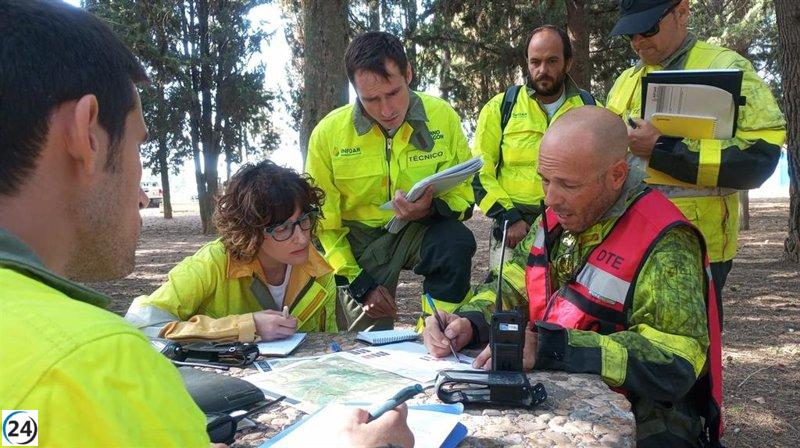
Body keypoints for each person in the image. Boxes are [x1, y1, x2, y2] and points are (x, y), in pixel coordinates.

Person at [0, 1, 413, 446]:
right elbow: (143, 322)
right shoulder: (96, 362)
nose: (142, 194)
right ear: (85, 135)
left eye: (305, 222)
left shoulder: (36, 368)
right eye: (140, 145)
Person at [423, 107, 724, 447]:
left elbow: (674, 362)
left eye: (568, 184)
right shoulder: (555, 218)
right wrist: (469, 322)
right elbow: (509, 286)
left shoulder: (666, 242)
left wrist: (552, 347)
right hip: (558, 392)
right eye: (545, 180)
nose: (551, 198)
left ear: (617, 175)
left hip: (644, 414)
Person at [604, 0, 786, 324]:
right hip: (629, 240)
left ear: (682, 12)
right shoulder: (625, 81)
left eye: (647, 28)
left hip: (699, 245)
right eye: (629, 33)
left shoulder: (729, 69)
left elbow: (761, 157)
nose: (637, 41)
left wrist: (661, 149)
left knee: (692, 356)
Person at [306, 31, 476, 331]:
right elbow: (324, 227)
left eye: (394, 92)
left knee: (455, 241)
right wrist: (360, 285)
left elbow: (464, 197)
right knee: (364, 348)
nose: (387, 110)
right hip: (355, 245)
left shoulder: (442, 117)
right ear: (355, 90)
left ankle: (440, 332)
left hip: (416, 230)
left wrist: (429, 209)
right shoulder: (327, 135)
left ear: (408, 73)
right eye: (371, 99)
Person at [126, 161, 339, 342]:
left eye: (304, 221)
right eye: (282, 228)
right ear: (251, 230)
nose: (302, 238)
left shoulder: (320, 271)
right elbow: (139, 324)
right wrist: (245, 326)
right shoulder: (213, 262)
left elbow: (329, 344)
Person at [472, 25, 598, 268]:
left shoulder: (590, 108)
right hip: (513, 228)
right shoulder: (501, 107)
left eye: (552, 61)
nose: (543, 70)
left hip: (571, 228)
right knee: (507, 301)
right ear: (527, 63)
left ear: (568, 62)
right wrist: (508, 217)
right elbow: (478, 171)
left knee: (565, 302)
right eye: (535, 62)